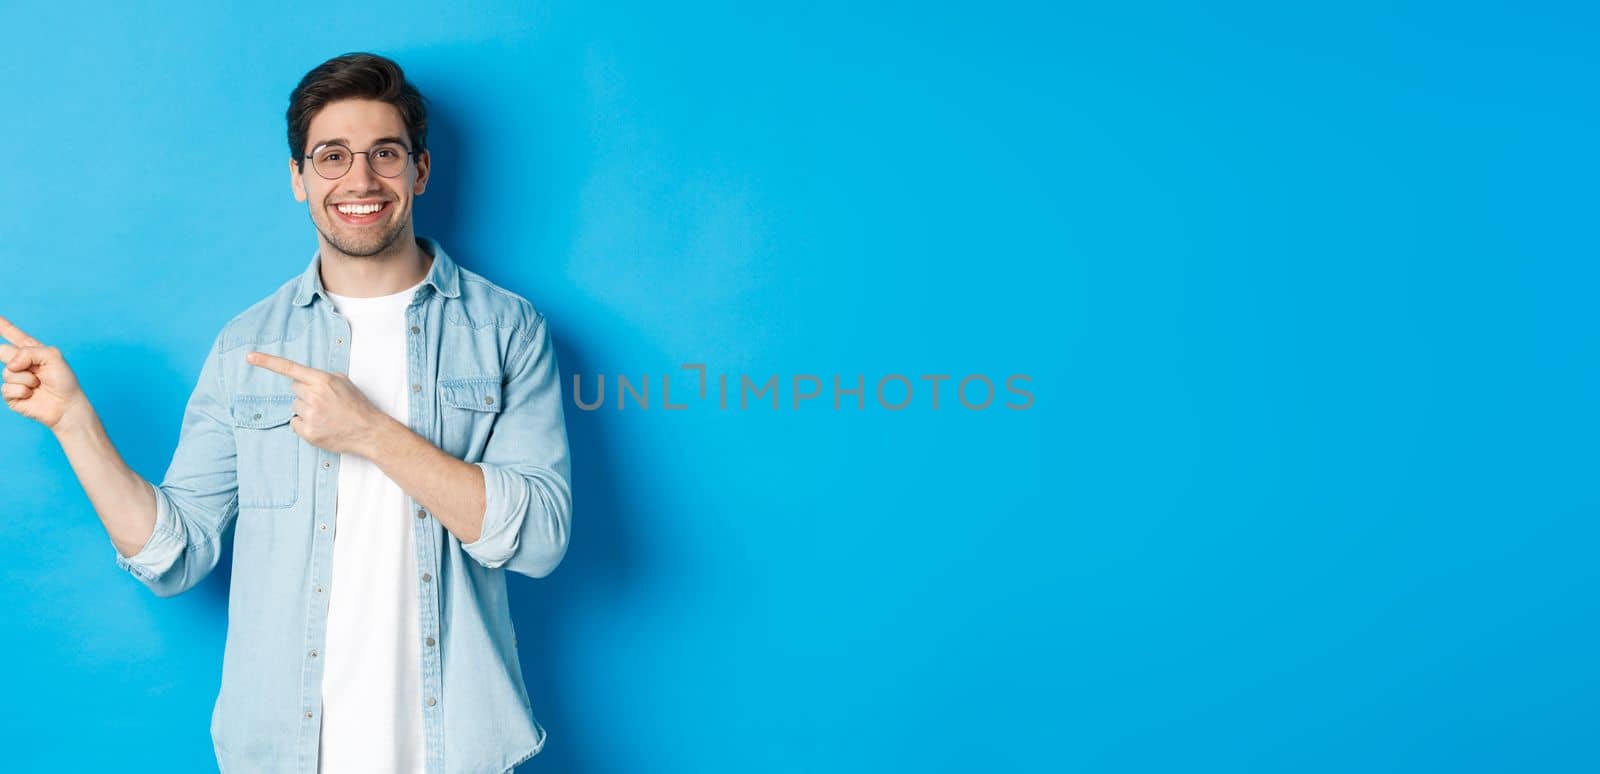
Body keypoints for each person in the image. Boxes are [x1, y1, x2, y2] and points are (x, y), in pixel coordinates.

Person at [0, 52, 572, 773]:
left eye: (384, 155)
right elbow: (174, 554)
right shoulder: (249, 343)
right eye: (332, 157)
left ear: (419, 171)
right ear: (298, 179)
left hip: (454, 747)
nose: (360, 181)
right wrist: (73, 423)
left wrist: (371, 432)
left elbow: (543, 537)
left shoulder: (506, 329)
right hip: (283, 752)